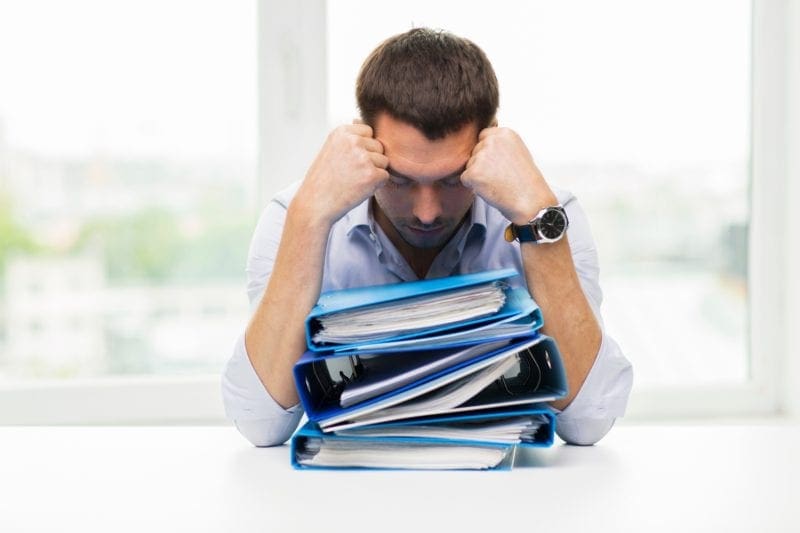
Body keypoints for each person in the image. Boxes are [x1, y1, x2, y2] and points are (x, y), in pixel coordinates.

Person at [222, 28, 632, 447]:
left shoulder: (547, 215)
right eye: (399, 180)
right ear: (363, 143)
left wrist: (535, 221)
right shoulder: (298, 215)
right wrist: (308, 220)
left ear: (490, 143)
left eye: (453, 180)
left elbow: (588, 423)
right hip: (345, 502)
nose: (426, 211)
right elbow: (260, 424)